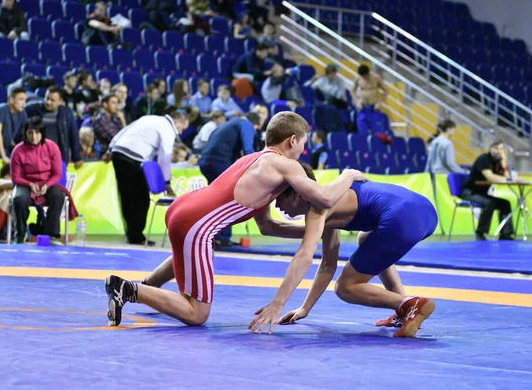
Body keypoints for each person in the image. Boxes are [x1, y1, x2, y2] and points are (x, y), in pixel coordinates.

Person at [104, 111, 367, 327]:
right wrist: (349, 175)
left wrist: (311, 232)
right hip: (196, 224)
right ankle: (129, 289)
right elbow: (325, 198)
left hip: (184, 210)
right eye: (303, 143)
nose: (303, 150)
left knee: (201, 252)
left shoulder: (253, 160)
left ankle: (151, 286)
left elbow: (267, 226)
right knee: (197, 313)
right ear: (291, 140)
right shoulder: (285, 165)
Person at [249, 163, 437, 337]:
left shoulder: (318, 208)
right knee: (365, 238)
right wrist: (305, 308)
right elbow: (327, 265)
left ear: (295, 194)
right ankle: (404, 310)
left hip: (401, 217)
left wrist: (277, 304)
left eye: (278, 198)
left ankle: (410, 304)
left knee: (345, 287)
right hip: (426, 213)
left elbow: (304, 255)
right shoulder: (328, 200)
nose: (277, 205)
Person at [103, 109, 190, 245]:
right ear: (178, 121)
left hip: (118, 153)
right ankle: (136, 236)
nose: (180, 132)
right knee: (141, 198)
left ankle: (132, 234)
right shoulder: (168, 128)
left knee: (126, 197)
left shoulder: (150, 118)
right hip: (133, 157)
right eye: (182, 128)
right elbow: (165, 157)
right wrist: (166, 181)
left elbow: (124, 131)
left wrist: (110, 149)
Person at [198, 112, 260, 247]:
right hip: (219, 162)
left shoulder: (226, 124)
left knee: (215, 201)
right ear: (256, 125)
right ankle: (223, 237)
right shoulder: (246, 124)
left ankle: (210, 236)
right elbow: (248, 149)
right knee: (229, 199)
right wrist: (257, 168)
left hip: (205, 162)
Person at [9, 118, 68, 244]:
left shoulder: (52, 147)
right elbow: (15, 177)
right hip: (25, 183)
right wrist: (29, 184)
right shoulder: (18, 150)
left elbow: (57, 174)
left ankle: (51, 235)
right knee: (19, 199)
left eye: (37, 132)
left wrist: (47, 185)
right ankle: (20, 234)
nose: (34, 136)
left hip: (47, 182)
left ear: (42, 133)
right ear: (25, 133)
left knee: (58, 196)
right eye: (30, 132)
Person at [462, 140, 515, 241]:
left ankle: (506, 234)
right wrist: (508, 180)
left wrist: (503, 163)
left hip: (482, 193)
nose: (499, 151)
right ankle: (480, 233)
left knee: (505, 203)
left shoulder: (497, 163)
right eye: (497, 148)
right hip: (470, 192)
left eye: (501, 149)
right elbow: (490, 177)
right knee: (490, 203)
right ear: (491, 148)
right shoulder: (483, 159)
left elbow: (507, 177)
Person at [25, 86, 83, 168]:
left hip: (59, 158)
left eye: (52, 100)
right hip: (37, 157)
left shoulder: (67, 113)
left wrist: (76, 157)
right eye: (47, 98)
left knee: (59, 180)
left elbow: (73, 134)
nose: (48, 102)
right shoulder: (32, 110)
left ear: (60, 101)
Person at [0, 87, 28, 163]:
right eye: (21, 99)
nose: (24, 103)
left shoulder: (22, 113)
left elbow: (27, 131)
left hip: (5, 150)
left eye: (25, 100)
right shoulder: (2, 109)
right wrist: (3, 156)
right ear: (11, 100)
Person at [352, 65, 389, 135]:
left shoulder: (376, 78)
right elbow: (353, 91)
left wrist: (379, 102)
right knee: (362, 132)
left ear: (368, 73)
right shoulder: (358, 78)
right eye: (362, 76)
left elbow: (386, 91)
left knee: (378, 133)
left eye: (365, 76)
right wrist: (357, 101)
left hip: (374, 108)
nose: (364, 78)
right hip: (363, 108)